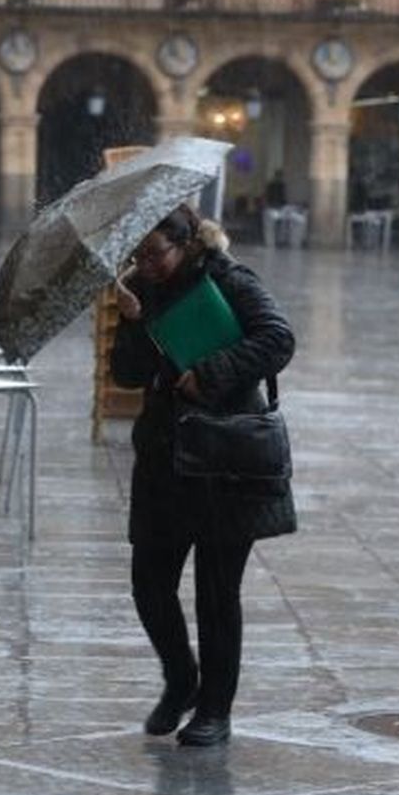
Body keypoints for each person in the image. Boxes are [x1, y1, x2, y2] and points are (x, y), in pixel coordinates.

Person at [110, 203, 295, 748]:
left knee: (217, 593)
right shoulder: (139, 289)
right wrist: (130, 322)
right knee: (149, 583)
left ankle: (215, 710)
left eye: (156, 253)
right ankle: (180, 677)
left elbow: (277, 339)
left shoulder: (228, 279)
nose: (147, 264)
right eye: (138, 255)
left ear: (186, 241)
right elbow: (127, 375)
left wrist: (208, 375)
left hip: (224, 457)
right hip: (165, 457)